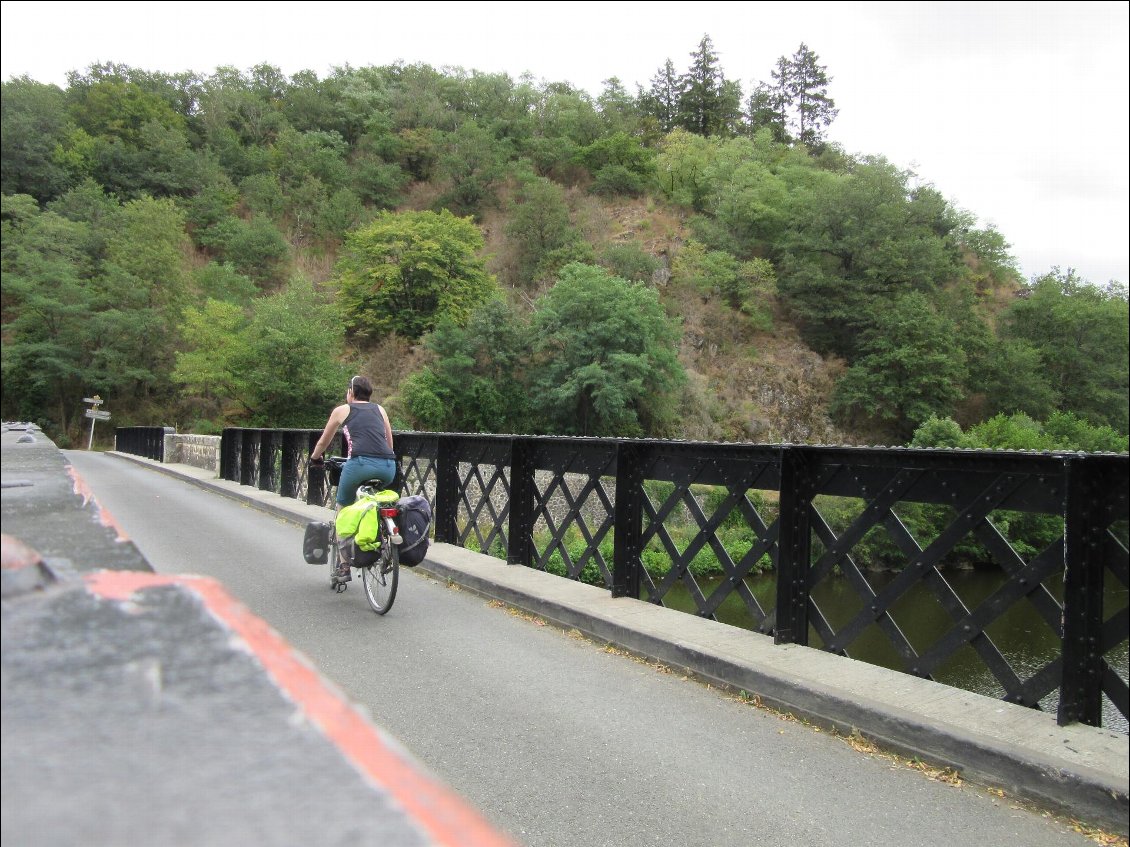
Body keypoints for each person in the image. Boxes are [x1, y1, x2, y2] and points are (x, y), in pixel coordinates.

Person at [309, 375, 397, 582]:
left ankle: (344, 566)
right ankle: (380, 538)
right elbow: (389, 441)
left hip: (358, 465)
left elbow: (324, 441)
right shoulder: (380, 409)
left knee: (343, 510)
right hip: (388, 466)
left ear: (351, 392)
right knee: (374, 503)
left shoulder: (342, 410)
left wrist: (315, 458)